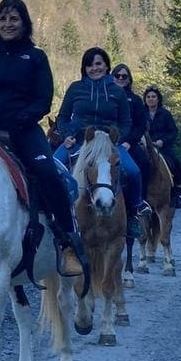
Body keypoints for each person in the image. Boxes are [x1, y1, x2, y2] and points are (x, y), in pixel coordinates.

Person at [0, 0, 86, 278]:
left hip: (24, 129)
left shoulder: (36, 57)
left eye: (14, 19)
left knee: (48, 173)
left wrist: (22, 118)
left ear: (25, 23)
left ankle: (67, 244)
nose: (7, 24)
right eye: (3, 18)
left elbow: (43, 99)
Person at [54, 47, 152, 237]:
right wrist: (66, 134)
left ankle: (133, 213)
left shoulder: (117, 91)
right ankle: (52, 217)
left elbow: (125, 122)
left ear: (107, 65)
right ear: (84, 68)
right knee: (51, 167)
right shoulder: (76, 88)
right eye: (89, 65)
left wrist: (118, 137)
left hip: (108, 142)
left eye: (98, 63)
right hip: (79, 140)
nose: (94, 68)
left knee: (133, 172)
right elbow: (63, 117)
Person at [110, 63, 152, 193]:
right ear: (112, 77)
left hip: (129, 141)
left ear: (129, 79)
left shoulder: (135, 100)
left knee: (144, 164)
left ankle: (140, 202)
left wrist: (130, 141)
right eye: (118, 75)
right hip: (106, 140)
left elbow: (141, 124)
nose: (121, 78)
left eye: (124, 76)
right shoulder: (105, 97)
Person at [143, 85, 181, 207]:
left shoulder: (165, 114)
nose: (151, 99)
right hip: (145, 146)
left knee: (175, 162)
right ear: (145, 99)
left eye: (153, 97)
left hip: (162, 146)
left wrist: (163, 141)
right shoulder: (141, 114)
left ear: (158, 99)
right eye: (148, 97)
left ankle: (177, 193)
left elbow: (173, 131)